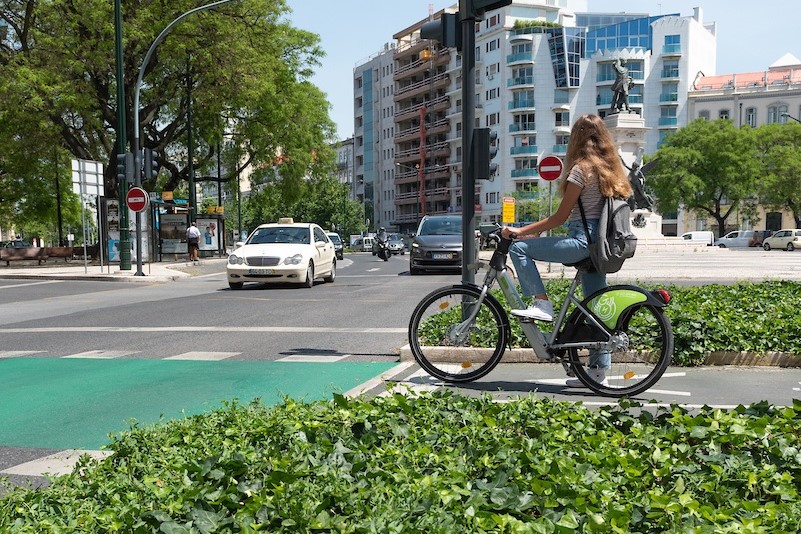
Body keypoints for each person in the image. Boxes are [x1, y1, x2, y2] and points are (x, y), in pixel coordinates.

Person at [500, 114, 633, 386]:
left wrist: (520, 232)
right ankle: (598, 372)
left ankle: (542, 304)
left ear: (576, 138)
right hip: (601, 247)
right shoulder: (611, 169)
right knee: (595, 309)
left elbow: (560, 218)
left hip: (582, 242)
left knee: (520, 249)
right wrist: (538, 231)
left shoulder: (581, 169)